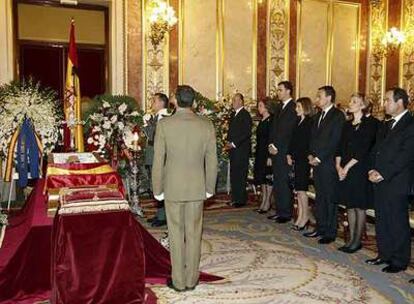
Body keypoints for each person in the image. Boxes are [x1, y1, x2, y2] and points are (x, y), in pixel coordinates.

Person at [152, 85, 218, 291]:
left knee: (175, 233)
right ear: (194, 102)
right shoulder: (206, 124)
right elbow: (212, 160)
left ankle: (179, 281)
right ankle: (191, 279)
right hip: (197, 187)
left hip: (172, 186)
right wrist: (209, 188)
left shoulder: (165, 125)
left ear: (175, 101)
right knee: (194, 233)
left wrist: (157, 188)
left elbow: (158, 160)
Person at [366, 87, 414, 273]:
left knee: (397, 221)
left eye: (387, 100)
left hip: (397, 181)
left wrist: (383, 173)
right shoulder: (386, 124)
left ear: (399, 102)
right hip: (378, 178)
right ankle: (384, 254)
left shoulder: (410, 124)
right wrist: (371, 168)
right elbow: (375, 149)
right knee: (382, 219)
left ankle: (399, 260)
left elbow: (406, 155)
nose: (384, 103)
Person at [335, 93, 378, 253]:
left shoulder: (371, 123)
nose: (350, 103)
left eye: (355, 101)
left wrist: (346, 168)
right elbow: (340, 146)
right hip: (345, 168)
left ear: (362, 106)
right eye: (351, 100)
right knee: (349, 205)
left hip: (359, 169)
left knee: (359, 206)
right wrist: (339, 166)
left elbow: (364, 149)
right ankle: (351, 239)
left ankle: (357, 241)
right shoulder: (347, 124)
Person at [304, 86, 345, 244]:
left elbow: (334, 141)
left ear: (329, 98)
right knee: (320, 197)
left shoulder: (337, 116)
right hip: (316, 162)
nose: (316, 98)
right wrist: (310, 154)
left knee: (329, 198)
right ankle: (320, 228)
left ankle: (330, 231)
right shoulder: (318, 116)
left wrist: (319, 158)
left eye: (319, 96)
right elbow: (312, 138)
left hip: (328, 163)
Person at [267, 81, 297, 223]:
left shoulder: (293, 107)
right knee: (278, 181)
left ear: (288, 91)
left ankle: (285, 213)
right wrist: (271, 145)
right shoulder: (279, 107)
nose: (277, 92)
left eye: (280, 90)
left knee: (284, 182)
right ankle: (279, 210)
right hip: (275, 150)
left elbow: (289, 131)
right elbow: (274, 129)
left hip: (284, 150)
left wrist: (278, 146)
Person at [287, 97, 314, 230]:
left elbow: (308, 143)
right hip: (296, 159)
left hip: (304, 160)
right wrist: (289, 154)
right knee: (298, 190)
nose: (296, 109)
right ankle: (300, 216)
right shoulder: (297, 121)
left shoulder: (310, 122)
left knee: (302, 190)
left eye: (298, 107)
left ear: (305, 107)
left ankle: (304, 217)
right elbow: (293, 140)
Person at [144, 93, 170, 227]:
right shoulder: (156, 118)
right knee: (155, 186)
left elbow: (158, 139)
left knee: (161, 185)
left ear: (161, 103)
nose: (152, 104)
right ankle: (160, 214)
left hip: (160, 157)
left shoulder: (165, 118)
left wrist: (147, 125)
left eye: (154, 101)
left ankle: (163, 216)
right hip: (152, 156)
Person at [226, 93, 253, 207]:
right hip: (233, 150)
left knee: (240, 175)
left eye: (236, 100)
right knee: (234, 174)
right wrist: (228, 142)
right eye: (233, 100)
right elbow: (231, 131)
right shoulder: (233, 114)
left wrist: (234, 143)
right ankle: (235, 198)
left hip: (241, 150)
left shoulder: (245, 114)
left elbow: (246, 133)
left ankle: (241, 200)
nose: (234, 102)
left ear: (241, 102)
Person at [254, 97, 274, 213]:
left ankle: (267, 201)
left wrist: (270, 156)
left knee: (267, 177)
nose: (259, 108)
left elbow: (271, 139)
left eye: (261, 106)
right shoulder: (262, 120)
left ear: (267, 107)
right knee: (261, 177)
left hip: (267, 152)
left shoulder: (271, 120)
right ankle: (263, 200)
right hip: (260, 152)